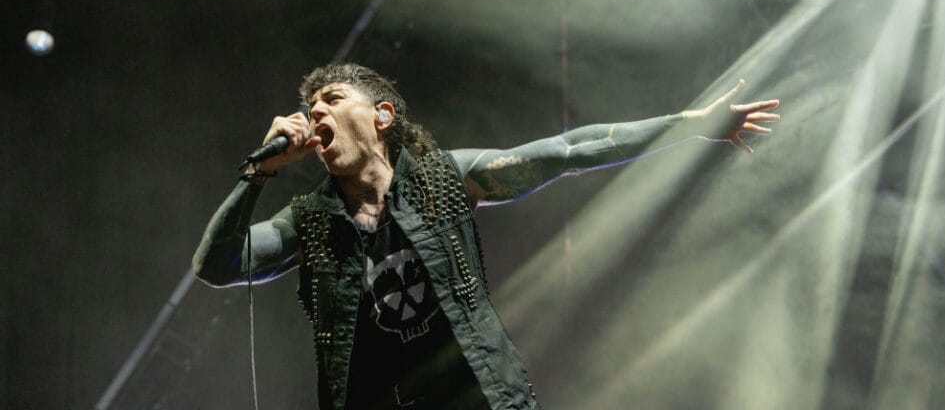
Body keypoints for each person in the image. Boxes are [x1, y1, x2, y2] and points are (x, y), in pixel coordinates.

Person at [192, 63, 780, 410]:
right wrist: (258, 173)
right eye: (308, 106)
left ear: (383, 116)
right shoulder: (309, 222)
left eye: (332, 100)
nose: (314, 113)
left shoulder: (445, 178)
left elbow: (568, 150)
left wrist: (689, 126)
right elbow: (217, 265)